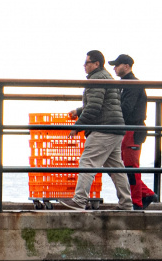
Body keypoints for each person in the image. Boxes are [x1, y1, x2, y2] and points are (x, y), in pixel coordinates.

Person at [62, 50, 132, 211]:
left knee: (88, 161)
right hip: (115, 127)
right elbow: (104, 103)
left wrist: (77, 127)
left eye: (87, 62)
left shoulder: (96, 79)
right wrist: (79, 111)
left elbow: (94, 107)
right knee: (116, 168)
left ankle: (79, 200)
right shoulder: (106, 77)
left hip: (104, 128)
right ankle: (126, 203)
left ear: (96, 63)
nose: (84, 66)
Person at [108, 54, 158, 210]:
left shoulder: (132, 84)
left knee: (129, 167)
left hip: (132, 129)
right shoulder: (125, 84)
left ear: (127, 66)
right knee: (122, 166)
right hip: (128, 129)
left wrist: (110, 116)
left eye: (117, 65)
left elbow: (126, 109)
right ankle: (145, 194)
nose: (114, 68)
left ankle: (136, 201)